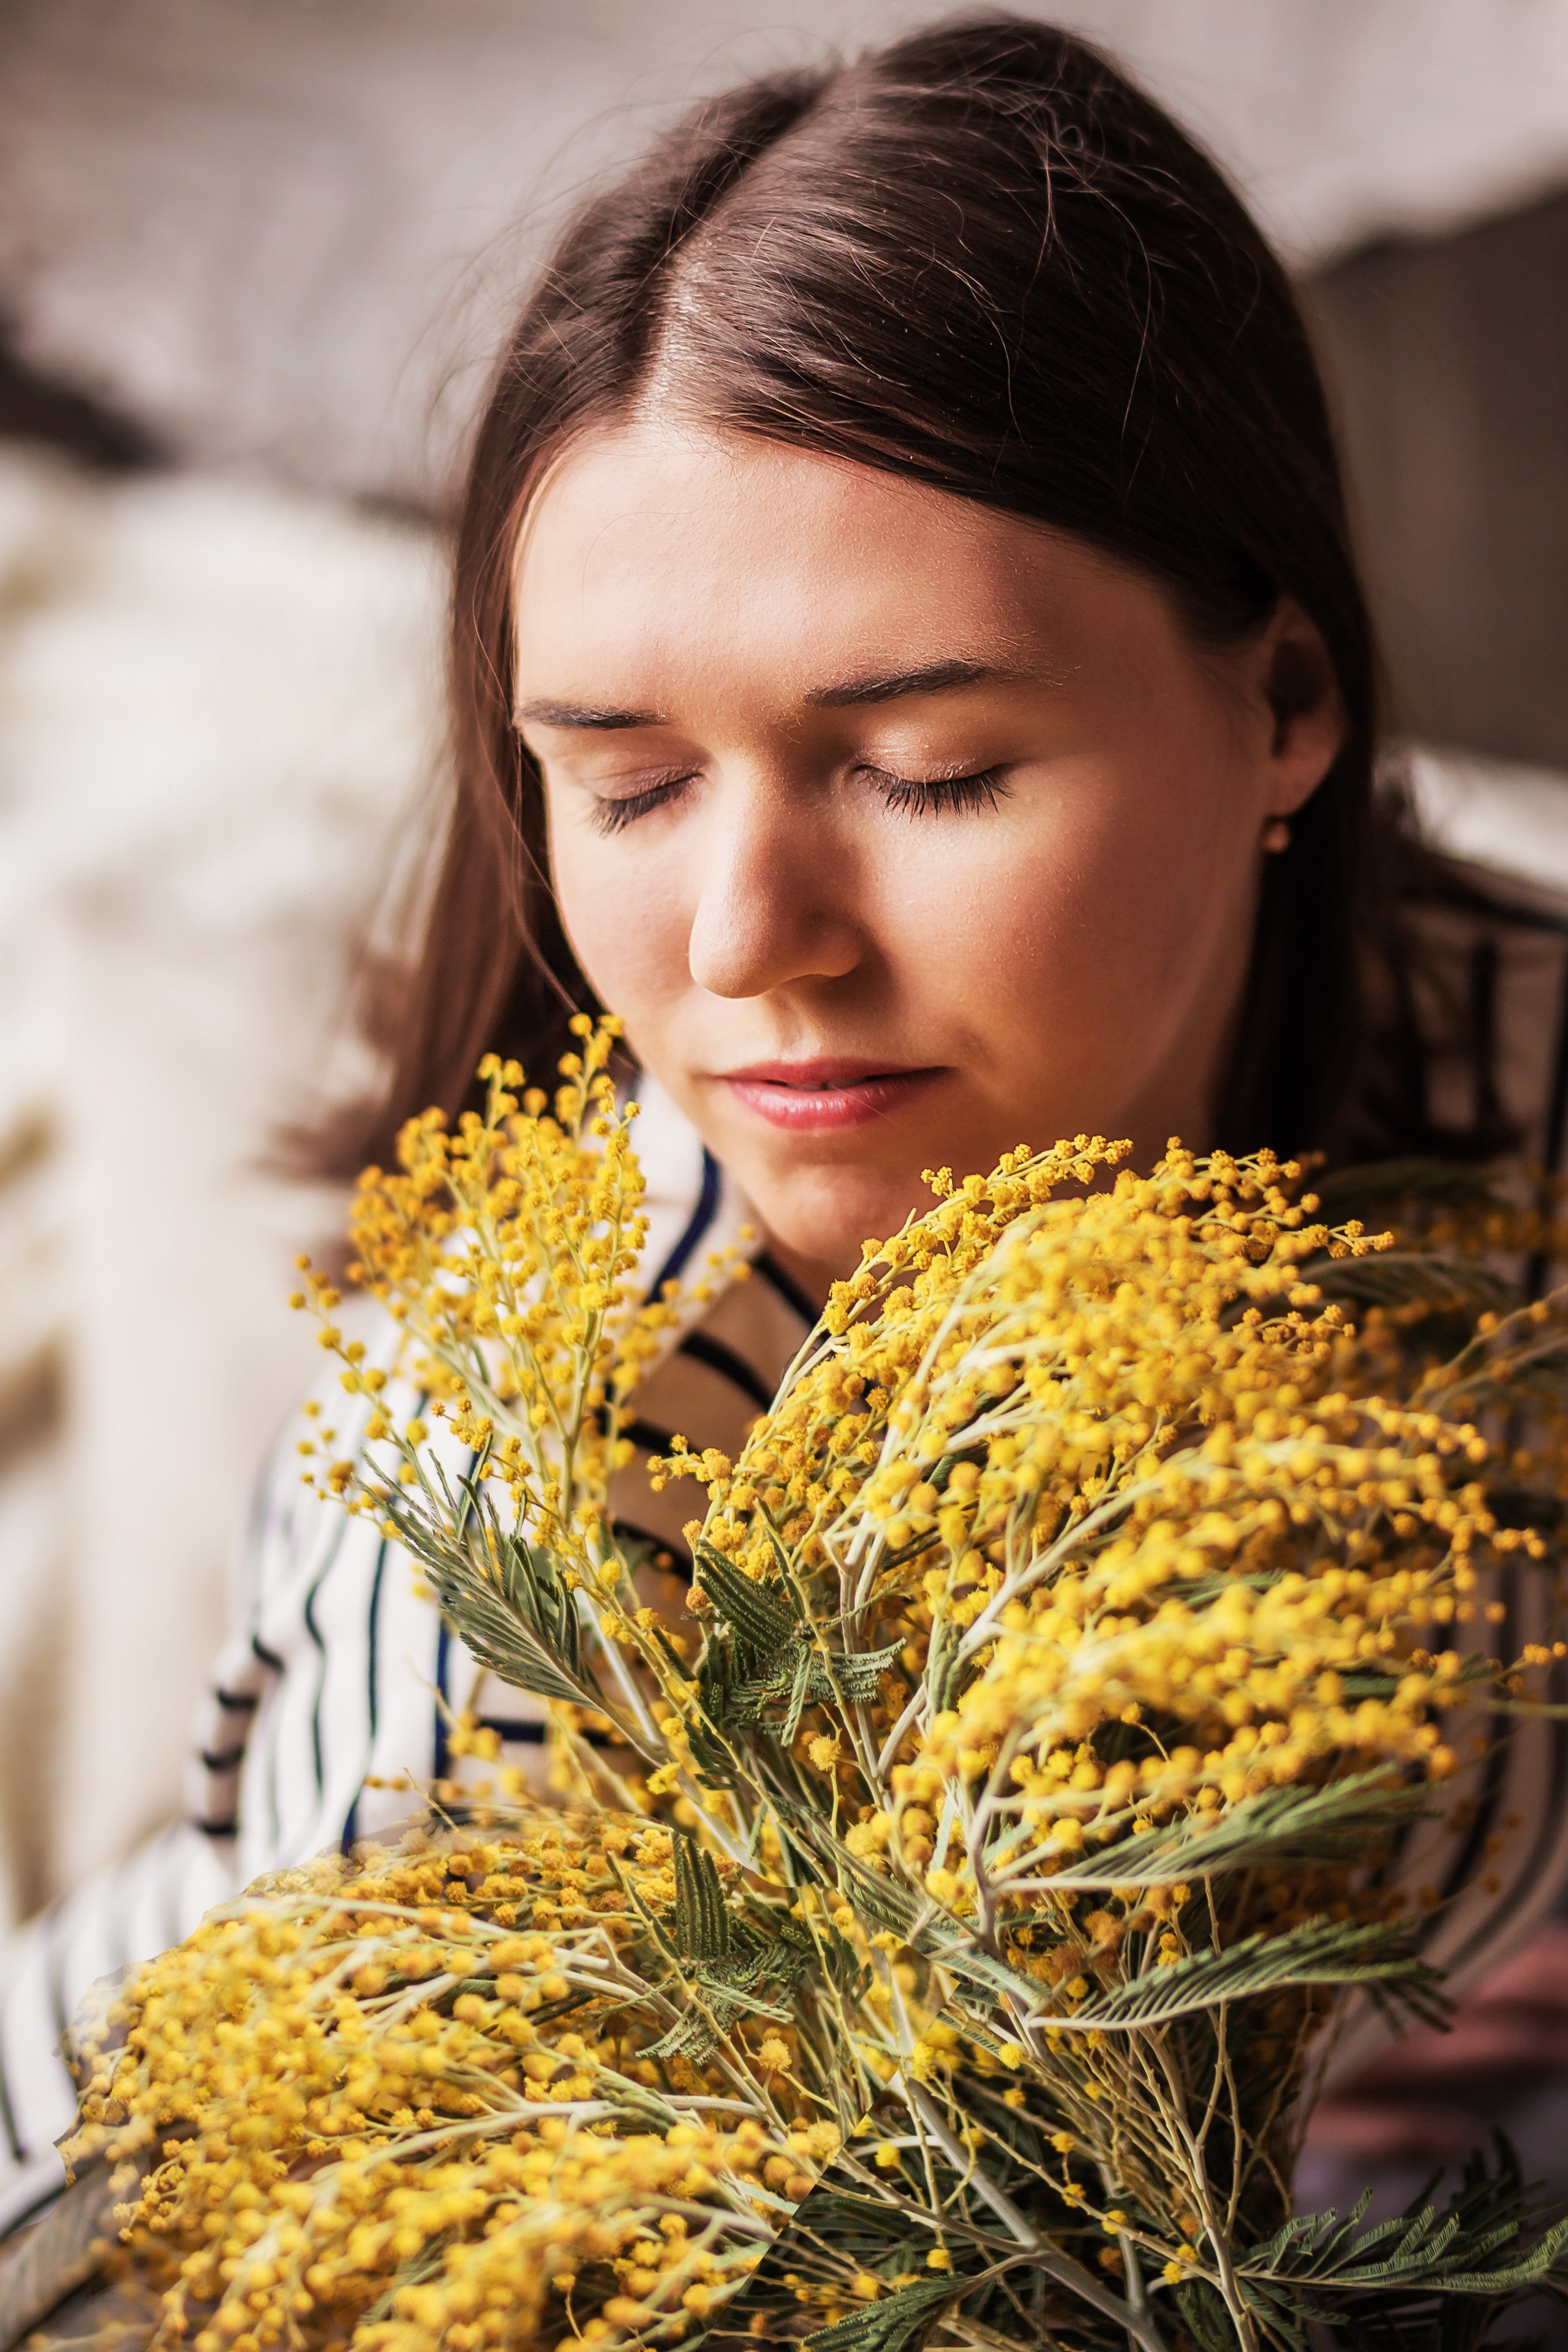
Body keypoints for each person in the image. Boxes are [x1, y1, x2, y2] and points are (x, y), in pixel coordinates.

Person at [4, 9, 1568, 2236]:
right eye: (625, 785)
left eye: (928, 772)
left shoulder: (1516, 1078)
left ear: (1286, 703)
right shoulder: (552, 1518)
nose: (745, 943)